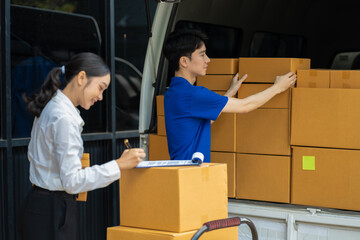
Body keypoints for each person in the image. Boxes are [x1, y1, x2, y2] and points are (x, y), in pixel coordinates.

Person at [20, 52, 146, 240]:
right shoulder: (63, 117)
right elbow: (73, 182)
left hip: (44, 206)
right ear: (81, 78)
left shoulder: (53, 106)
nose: (101, 97)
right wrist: (119, 165)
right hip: (53, 209)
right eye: (100, 88)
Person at [162, 29, 296, 163]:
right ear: (184, 61)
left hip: (181, 171)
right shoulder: (192, 94)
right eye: (202, 55)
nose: (208, 60)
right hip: (191, 174)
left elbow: (201, 124)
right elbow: (245, 106)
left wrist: (230, 92)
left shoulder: (173, 93)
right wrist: (278, 87)